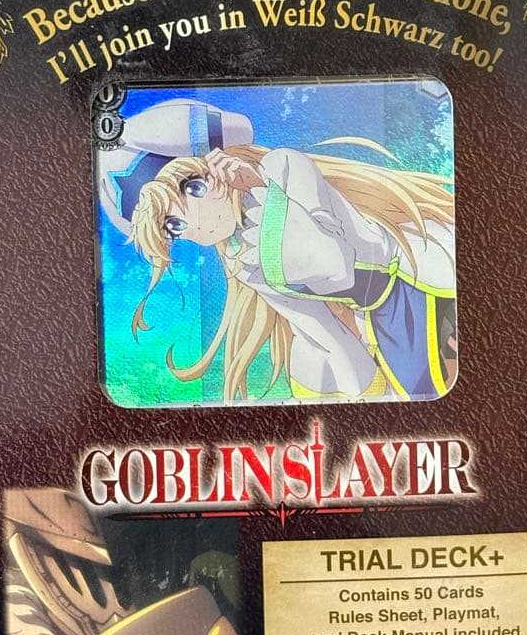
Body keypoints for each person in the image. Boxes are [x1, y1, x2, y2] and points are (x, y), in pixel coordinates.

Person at [97, 96, 457, 404]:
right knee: (313, 362)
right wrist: (357, 401)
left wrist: (261, 190)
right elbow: (319, 329)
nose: (197, 223)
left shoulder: (282, 166)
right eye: (174, 227)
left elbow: (335, 266)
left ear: (216, 166)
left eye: (192, 189)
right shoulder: (241, 259)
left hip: (419, 285)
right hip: (378, 324)